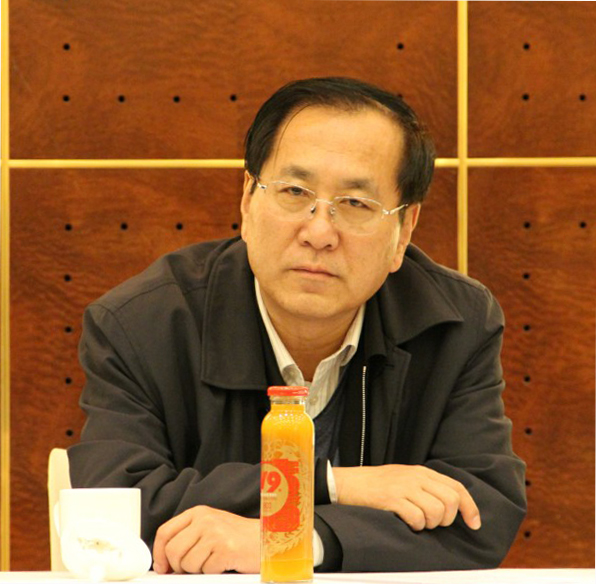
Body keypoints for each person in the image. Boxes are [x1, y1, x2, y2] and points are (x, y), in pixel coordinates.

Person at [68, 77, 527, 574]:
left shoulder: (455, 324)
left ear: (404, 231)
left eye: (355, 203)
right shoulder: (143, 325)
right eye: (294, 191)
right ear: (248, 201)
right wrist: (334, 484)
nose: (319, 231)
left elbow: (482, 512)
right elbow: (111, 507)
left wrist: (296, 541)